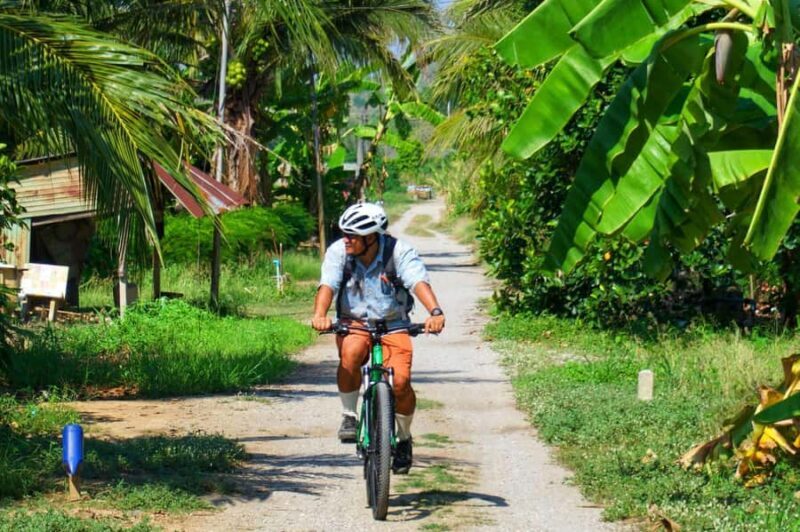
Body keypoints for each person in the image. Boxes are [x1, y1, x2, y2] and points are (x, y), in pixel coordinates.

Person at [311, 202, 445, 474]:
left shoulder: (399, 252)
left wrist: (435, 311)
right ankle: (349, 415)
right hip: (355, 323)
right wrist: (320, 313)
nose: (346, 240)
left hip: (394, 324)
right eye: (344, 233)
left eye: (353, 236)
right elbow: (328, 284)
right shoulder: (339, 252)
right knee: (350, 354)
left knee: (402, 382)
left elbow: (418, 282)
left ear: (372, 238)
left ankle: (404, 437)